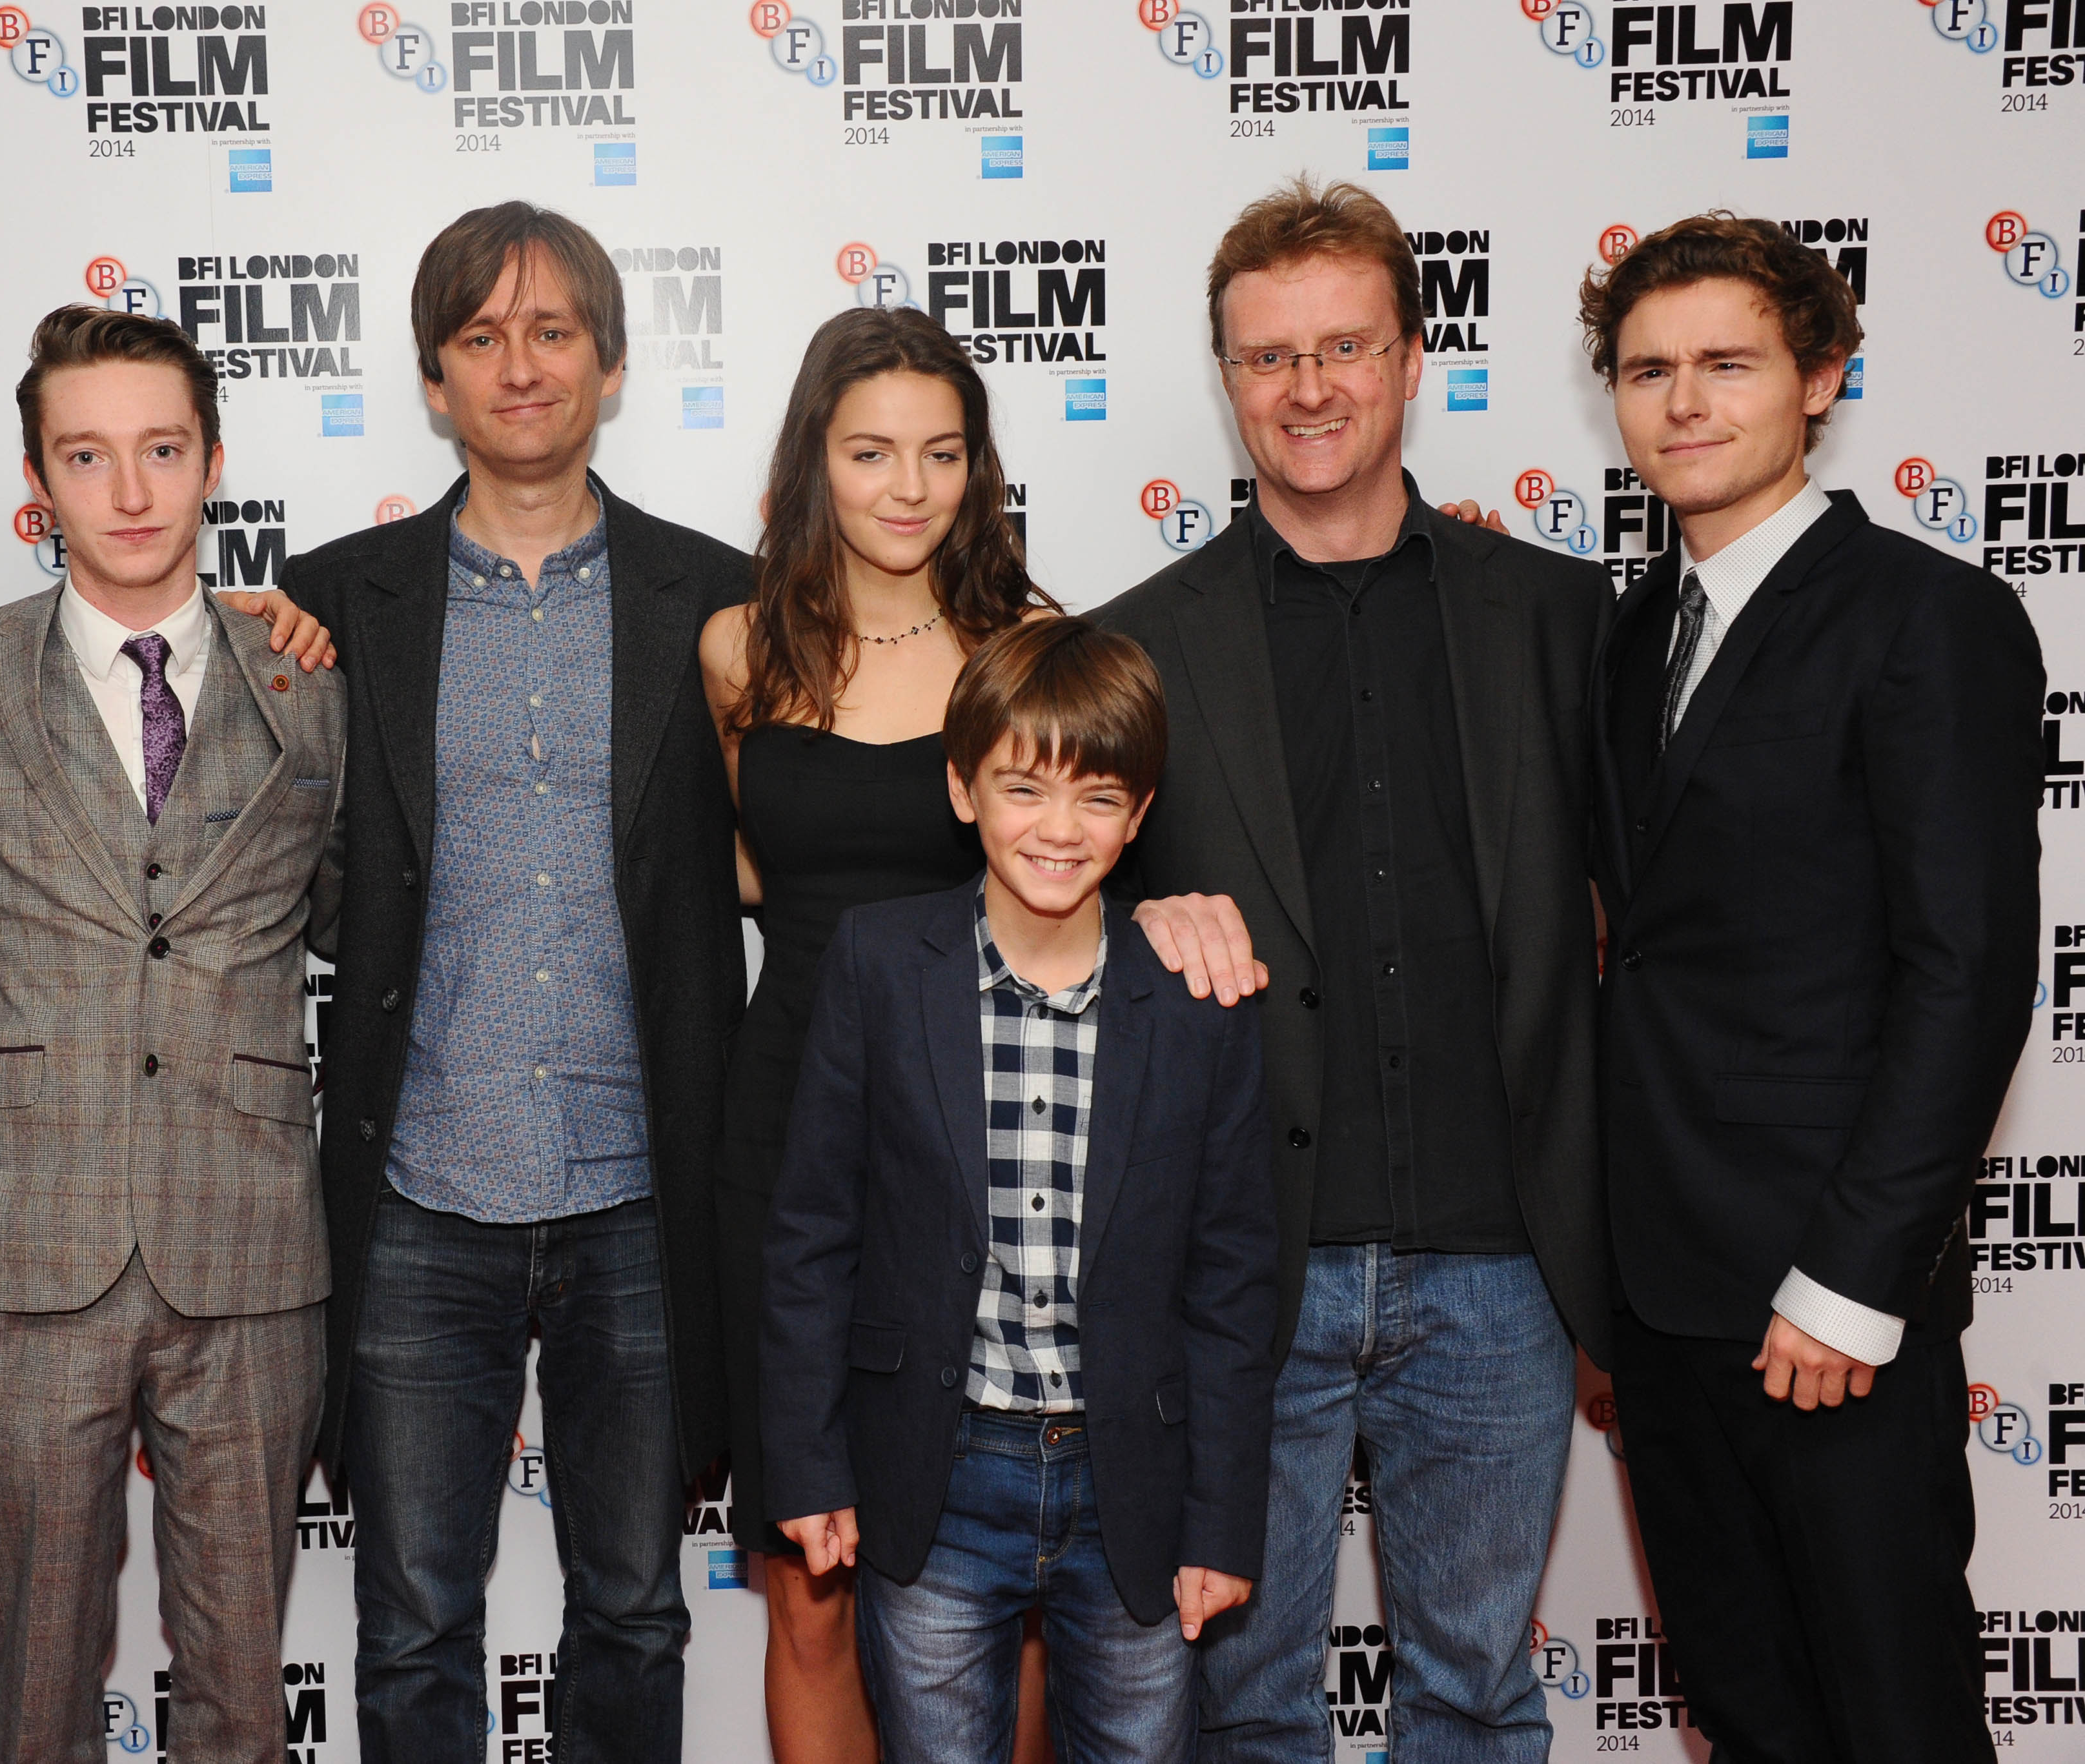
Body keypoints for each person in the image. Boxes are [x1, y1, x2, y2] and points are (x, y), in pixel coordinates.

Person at [1091, 177, 1612, 1762]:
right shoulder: (1138, 648)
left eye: (1341, 348)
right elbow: (1028, 908)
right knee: (1245, 1702)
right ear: (1226, 379)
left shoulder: (1560, 617)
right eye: (1265, 358)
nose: (1305, 388)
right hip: (1247, 1264)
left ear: (1410, 358)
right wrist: (1131, 925)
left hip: (1498, 1264)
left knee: (1476, 1690)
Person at [278, 201, 751, 1760]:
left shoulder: (720, 599)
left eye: (553, 331)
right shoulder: (336, 603)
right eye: (481, 335)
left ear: (609, 362)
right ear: (433, 376)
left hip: (640, 1187)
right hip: (422, 1188)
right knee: (412, 1620)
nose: (520, 364)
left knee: (633, 1605)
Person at [1580, 214, 2039, 1763]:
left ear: (1822, 377)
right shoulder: (1629, 631)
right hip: (1661, 1297)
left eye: (1727, 363)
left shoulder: (1927, 617)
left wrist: (1852, 1279)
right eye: (1648, 369)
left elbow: (1966, 973)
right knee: (1749, 1712)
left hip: (1830, 1306)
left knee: (1892, 1718)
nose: (1684, 403)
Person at [0, 304, 345, 1761]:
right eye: (89, 457)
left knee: (240, 1690)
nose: (132, 492)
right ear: (39, 482)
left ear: (215, 459)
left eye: (162, 450)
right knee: (36, 1681)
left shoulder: (313, 678)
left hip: (253, 1230)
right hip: (31, 1235)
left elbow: (356, 907)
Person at [764, 616, 1277, 1764]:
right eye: (1022, 788)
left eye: (1098, 797)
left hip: (1135, 1480)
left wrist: (1223, 1519)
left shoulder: (1201, 1003)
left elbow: (1234, 1284)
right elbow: (812, 1237)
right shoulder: (879, 963)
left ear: (1141, 814)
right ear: (961, 787)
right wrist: (807, 1460)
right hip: (934, 1472)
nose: (1058, 829)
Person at [698, 302, 1064, 1762]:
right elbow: (743, 859)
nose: (907, 486)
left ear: (977, 470)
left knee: (1008, 1581)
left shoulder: (1026, 644)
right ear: (815, 463)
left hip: (987, 1127)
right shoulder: (740, 647)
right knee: (807, 1583)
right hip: (786, 1121)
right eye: (870, 452)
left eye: (940, 453)